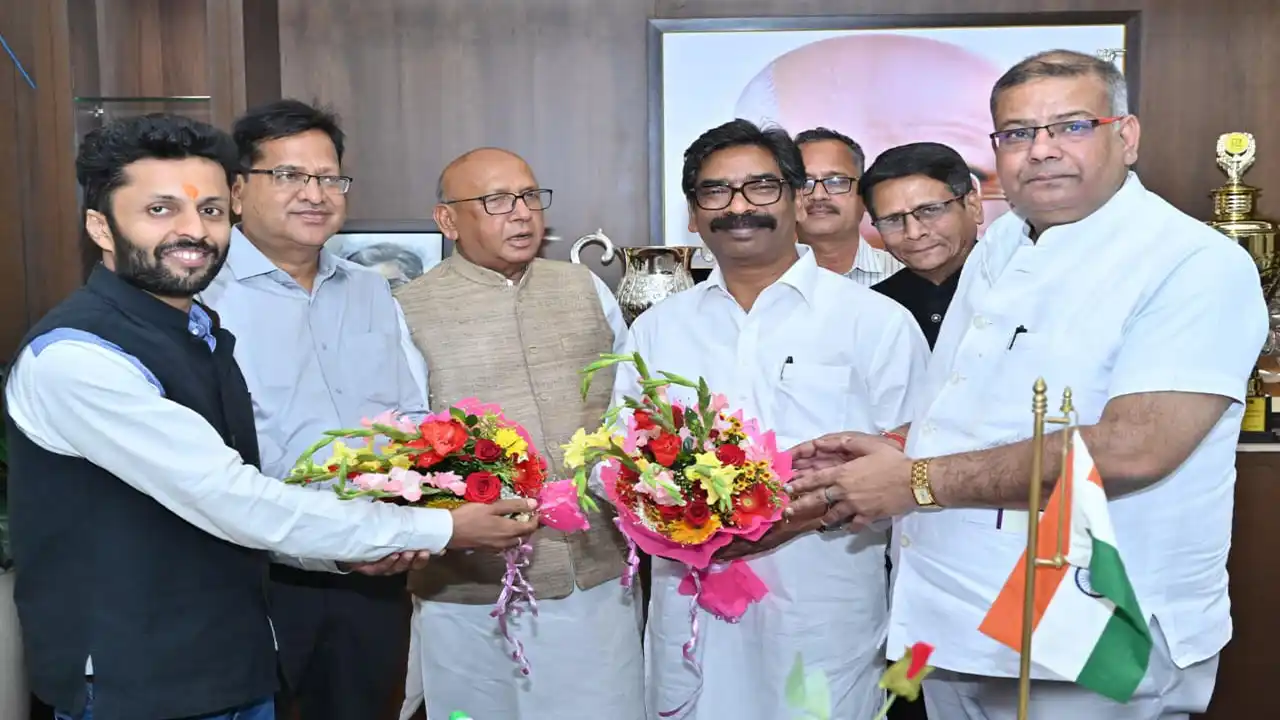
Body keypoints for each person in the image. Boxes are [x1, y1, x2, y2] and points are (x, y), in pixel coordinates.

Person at [3, 114, 537, 720]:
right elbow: (232, 498)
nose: (192, 229)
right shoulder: (78, 357)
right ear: (101, 225)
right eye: (159, 210)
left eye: (208, 210)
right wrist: (441, 529)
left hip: (235, 653)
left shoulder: (198, 329)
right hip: (138, 677)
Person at [786, 50, 1268, 719]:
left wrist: (915, 480)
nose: (1041, 150)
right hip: (953, 618)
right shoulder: (1002, 243)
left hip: (1091, 632)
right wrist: (890, 450)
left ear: (1126, 136)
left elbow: (1134, 448)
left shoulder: (1191, 262)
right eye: (1017, 133)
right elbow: (973, 408)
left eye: (1071, 125)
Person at [616, 119, 929, 720]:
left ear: (795, 198)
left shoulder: (874, 321)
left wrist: (810, 509)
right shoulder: (657, 329)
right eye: (715, 191)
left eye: (760, 187)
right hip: (689, 616)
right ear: (692, 214)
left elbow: (918, 463)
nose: (738, 207)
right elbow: (621, 461)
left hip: (820, 613)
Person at [395, 148, 643, 720]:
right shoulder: (409, 308)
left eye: (530, 196)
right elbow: (404, 437)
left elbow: (629, 404)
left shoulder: (584, 287)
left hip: (595, 571)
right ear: (448, 220)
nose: (522, 212)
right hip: (471, 587)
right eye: (496, 201)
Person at [199, 99, 427, 720]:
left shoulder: (371, 289)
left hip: (375, 569)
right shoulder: (202, 297)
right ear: (237, 191)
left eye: (329, 178)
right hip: (256, 575)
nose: (314, 194)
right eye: (289, 175)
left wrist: (412, 514)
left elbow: (410, 412)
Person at [864, 142, 982, 348]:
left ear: (973, 206)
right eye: (892, 220)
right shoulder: (871, 309)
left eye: (930, 210)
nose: (914, 233)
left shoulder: (1021, 287)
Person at [794, 127, 903, 285]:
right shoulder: (763, 280)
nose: (818, 195)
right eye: (804, 183)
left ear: (864, 195)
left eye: (836, 182)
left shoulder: (903, 276)